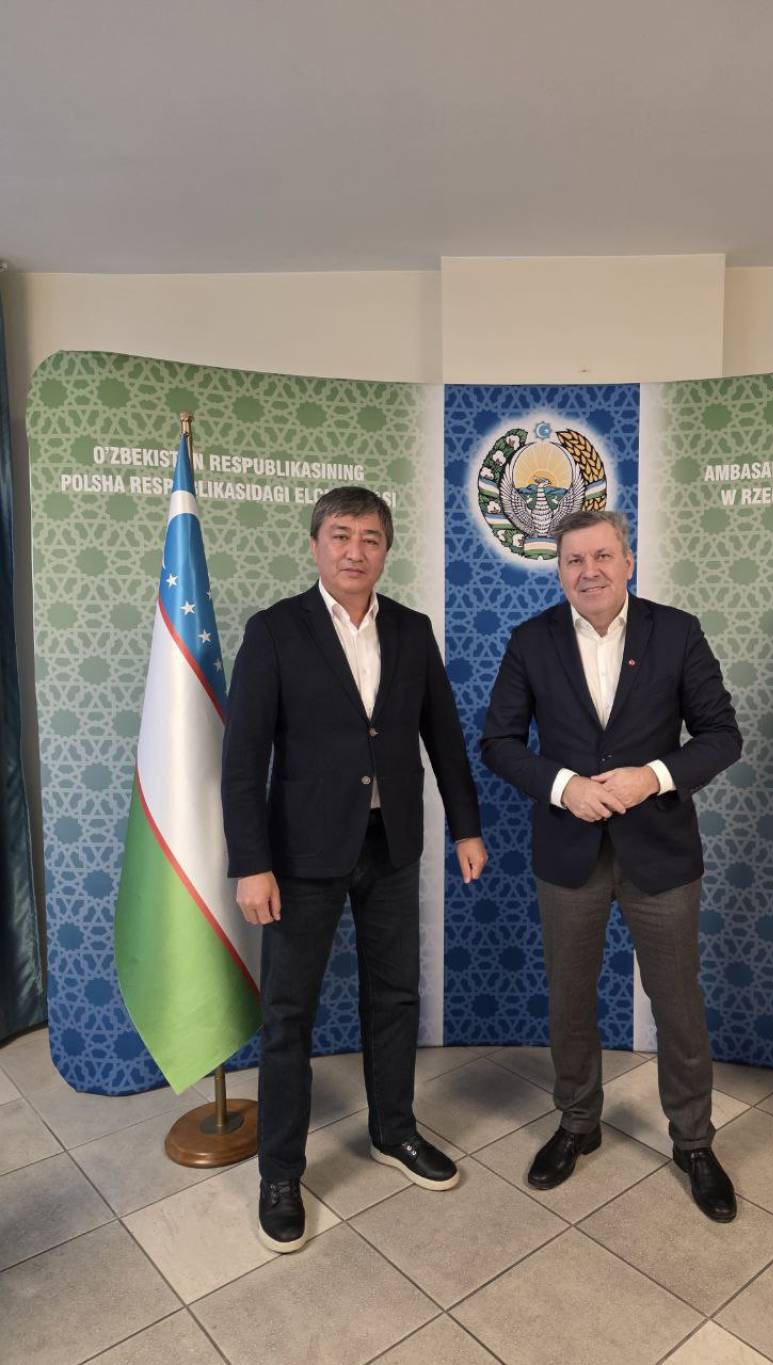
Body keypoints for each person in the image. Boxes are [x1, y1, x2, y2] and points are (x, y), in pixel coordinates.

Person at [222, 486, 487, 1253]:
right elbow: (243, 760)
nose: (354, 551)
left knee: (395, 996)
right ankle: (280, 1172)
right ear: (315, 544)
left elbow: (444, 737)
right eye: (340, 535)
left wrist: (466, 826)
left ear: (385, 550)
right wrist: (252, 863)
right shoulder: (275, 630)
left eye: (370, 538)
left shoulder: (411, 629)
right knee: (288, 1015)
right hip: (300, 856)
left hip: (391, 844)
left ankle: (393, 1129)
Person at [481, 509, 741, 1221]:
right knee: (570, 998)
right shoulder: (530, 641)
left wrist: (651, 776)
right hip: (568, 854)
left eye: (602, 556)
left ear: (628, 561)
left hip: (661, 852)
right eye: (573, 559)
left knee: (678, 1003)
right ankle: (577, 1121)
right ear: (558, 570)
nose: (589, 571)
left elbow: (722, 735)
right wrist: (564, 786)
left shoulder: (677, 632)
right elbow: (499, 742)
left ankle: (694, 1141)